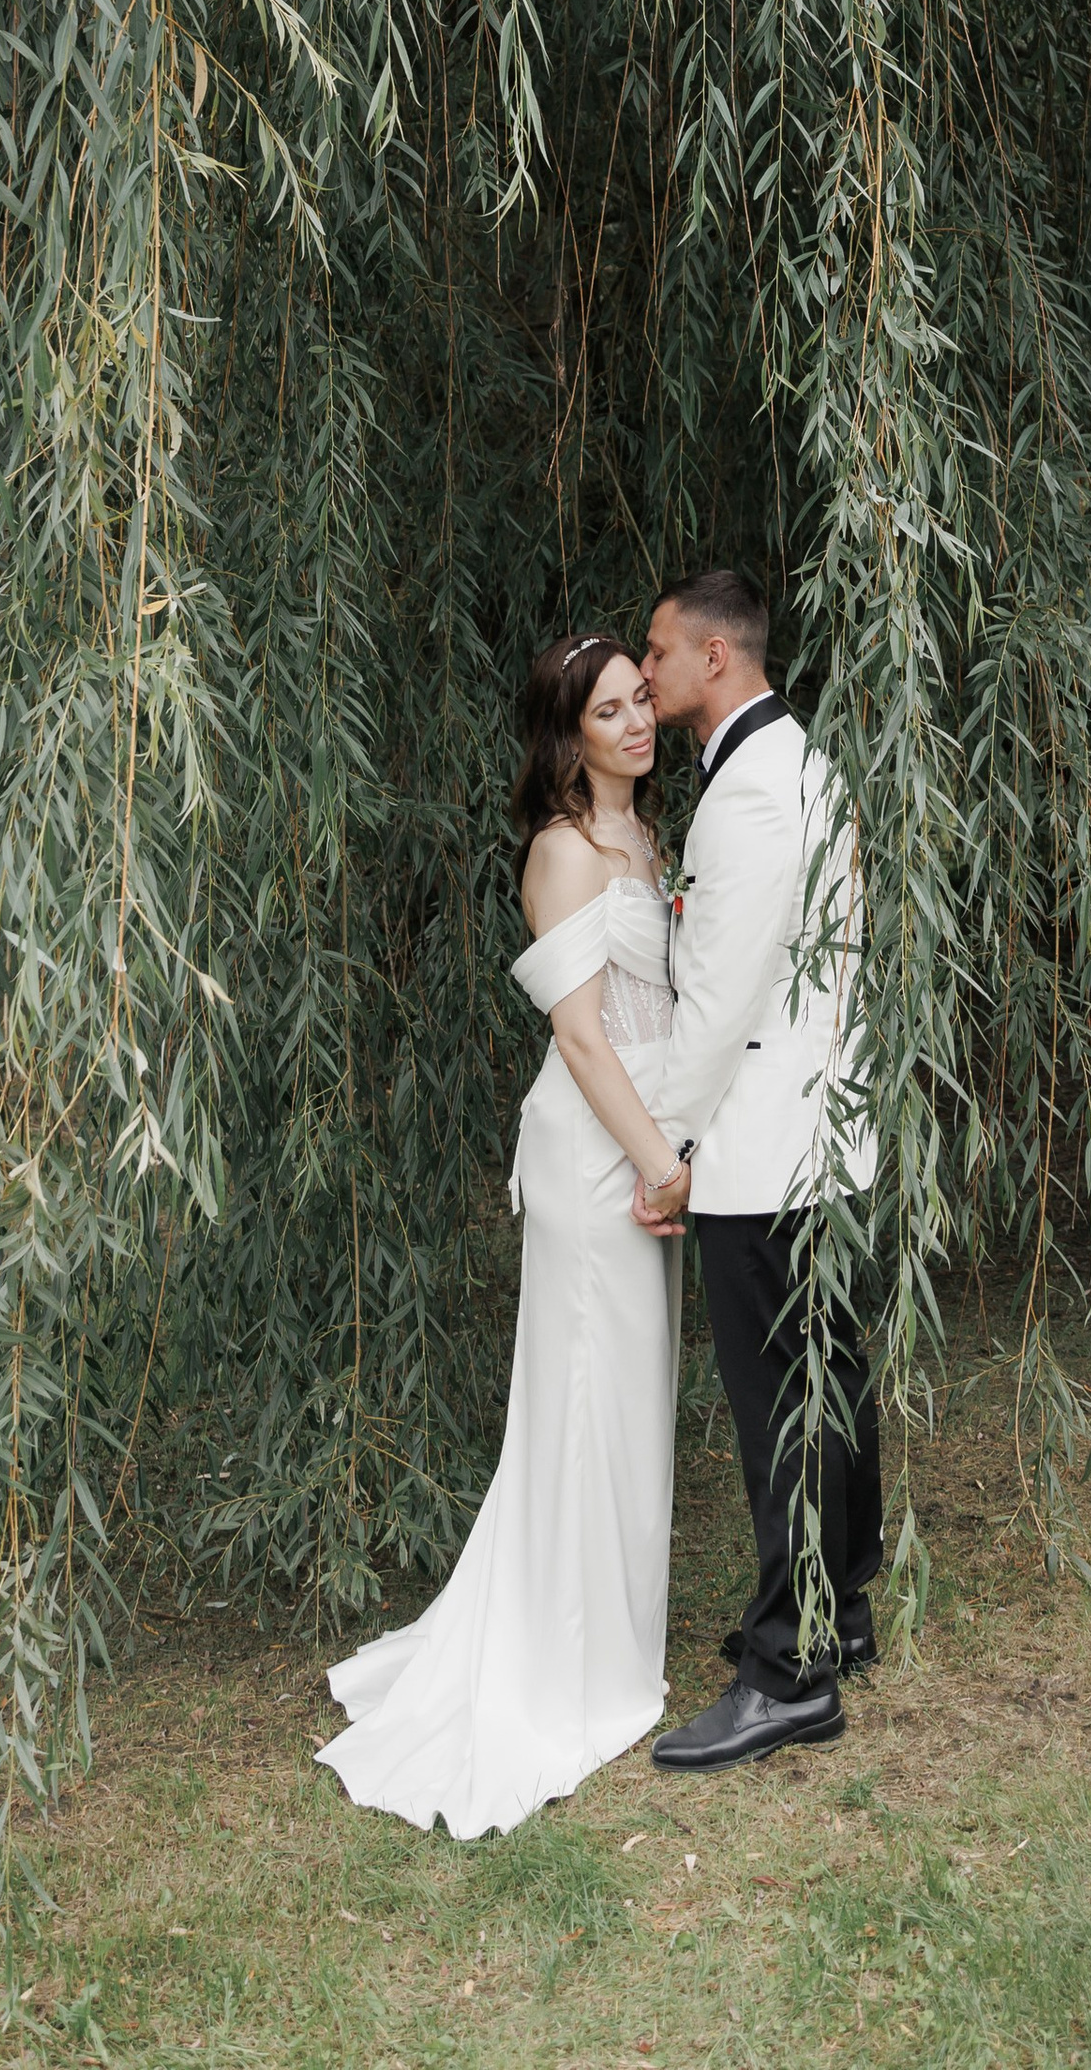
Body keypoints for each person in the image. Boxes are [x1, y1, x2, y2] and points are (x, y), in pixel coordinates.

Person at [315, 633, 685, 1835]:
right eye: (610, 710)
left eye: (641, 700)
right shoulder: (562, 855)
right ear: (566, 735)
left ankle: (614, 1642)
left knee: (629, 1395)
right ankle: (563, 1665)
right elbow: (582, 1039)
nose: (636, 722)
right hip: (598, 1159)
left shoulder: (641, 838)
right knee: (586, 1393)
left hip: (640, 1144)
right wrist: (655, 1163)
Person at [633, 570, 883, 1773]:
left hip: (765, 1152)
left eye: (660, 653)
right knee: (829, 1379)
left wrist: (667, 1144)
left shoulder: (747, 795)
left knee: (782, 1403)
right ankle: (842, 1604)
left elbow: (722, 994)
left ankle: (789, 1673)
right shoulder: (803, 763)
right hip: (821, 1137)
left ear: (716, 660)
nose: (646, 674)